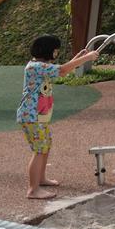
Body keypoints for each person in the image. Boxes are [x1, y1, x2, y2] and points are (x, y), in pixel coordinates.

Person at [17, 35, 99, 199]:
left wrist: (78, 58)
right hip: (31, 115)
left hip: (39, 115)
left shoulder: (41, 66)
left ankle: (41, 179)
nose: (57, 52)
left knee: (45, 146)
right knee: (39, 149)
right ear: (49, 50)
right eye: (56, 50)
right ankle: (33, 189)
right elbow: (62, 70)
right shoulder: (35, 67)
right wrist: (87, 58)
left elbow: (61, 71)